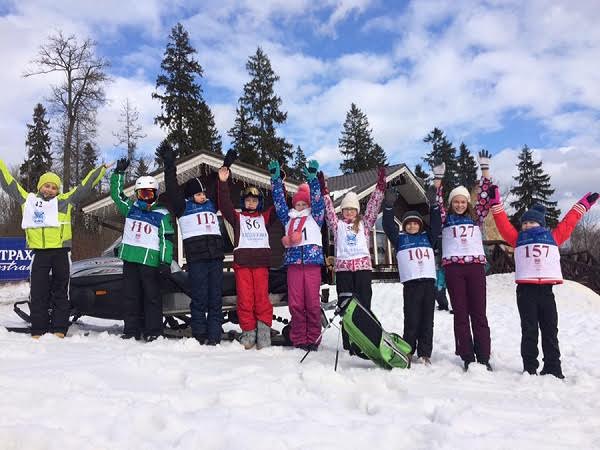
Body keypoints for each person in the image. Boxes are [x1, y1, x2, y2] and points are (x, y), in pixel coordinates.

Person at [490, 189, 599, 378]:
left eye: (531, 222)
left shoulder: (554, 238)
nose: (527, 225)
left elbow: (569, 221)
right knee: (529, 329)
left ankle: (553, 367)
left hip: (546, 291)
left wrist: (584, 204)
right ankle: (529, 367)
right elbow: (502, 224)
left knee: (550, 330)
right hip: (526, 291)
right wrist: (495, 203)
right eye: (524, 223)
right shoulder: (517, 239)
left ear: (541, 224)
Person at [0, 158, 107, 338]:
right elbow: (8, 183)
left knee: (61, 291)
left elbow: (84, 186)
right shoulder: (28, 201)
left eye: (54, 187)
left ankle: (59, 328)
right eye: (46, 186)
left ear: (58, 190)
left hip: (60, 253)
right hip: (39, 254)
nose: (50, 190)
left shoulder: (65, 201)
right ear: (40, 187)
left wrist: (101, 170)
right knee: (38, 292)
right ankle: (38, 329)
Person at [158, 144, 224, 345]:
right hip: (197, 260)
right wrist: (169, 165)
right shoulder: (183, 207)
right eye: (199, 194)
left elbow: (219, 186)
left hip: (215, 258)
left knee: (215, 299)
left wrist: (226, 164)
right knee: (200, 299)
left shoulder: (212, 205)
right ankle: (200, 334)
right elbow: (171, 187)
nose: (203, 196)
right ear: (190, 196)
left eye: (204, 194)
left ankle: (214, 336)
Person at [435, 151, 494, 371]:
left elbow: (486, 196)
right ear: (452, 204)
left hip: (475, 268)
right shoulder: (445, 219)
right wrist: (438, 180)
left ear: (467, 203)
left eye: (462, 201)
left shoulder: (475, 217)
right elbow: (437, 201)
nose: (459, 205)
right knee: (460, 312)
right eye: (456, 202)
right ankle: (467, 354)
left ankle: (484, 355)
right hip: (454, 270)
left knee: (479, 312)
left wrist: (485, 169)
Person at [321, 167, 386, 353]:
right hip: (343, 271)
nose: (349, 212)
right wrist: (325, 191)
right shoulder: (337, 225)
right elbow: (329, 211)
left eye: (352, 209)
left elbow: (373, 206)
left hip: (362, 269)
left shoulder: (365, 224)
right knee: (346, 306)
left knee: (364, 304)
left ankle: (364, 340)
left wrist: (380, 187)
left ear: (357, 211)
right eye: (346, 209)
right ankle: (349, 341)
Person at [110, 158, 173, 342]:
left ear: (156, 194)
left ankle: (154, 330)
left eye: (149, 194)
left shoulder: (162, 214)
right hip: (130, 259)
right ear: (137, 195)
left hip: (150, 262)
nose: (146, 198)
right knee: (130, 296)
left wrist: (165, 261)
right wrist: (119, 174)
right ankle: (131, 330)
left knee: (152, 298)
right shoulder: (130, 208)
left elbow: (166, 240)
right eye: (142, 194)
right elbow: (116, 194)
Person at [217, 165, 278, 350]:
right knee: (245, 300)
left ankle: (264, 332)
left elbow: (279, 204)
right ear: (244, 202)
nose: (251, 203)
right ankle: (249, 332)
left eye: (254, 200)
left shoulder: (265, 217)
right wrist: (222, 183)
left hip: (261, 265)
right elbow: (225, 205)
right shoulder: (237, 219)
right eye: (248, 200)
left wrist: (278, 182)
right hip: (242, 265)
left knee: (261, 299)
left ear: (259, 203)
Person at [269, 159, 325, 351]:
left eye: (303, 203)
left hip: (311, 265)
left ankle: (313, 338)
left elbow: (318, 201)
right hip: (293, 265)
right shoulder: (289, 219)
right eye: (297, 203)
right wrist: (276, 180)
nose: (300, 206)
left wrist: (313, 180)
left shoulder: (315, 217)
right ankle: (300, 339)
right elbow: (279, 203)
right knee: (296, 304)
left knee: (312, 304)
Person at [383, 186, 442, 364]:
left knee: (427, 320)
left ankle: (425, 352)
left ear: (420, 225)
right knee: (411, 318)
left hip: (428, 284)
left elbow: (437, 224)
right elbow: (387, 226)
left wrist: (434, 206)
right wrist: (388, 207)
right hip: (411, 285)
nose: (412, 225)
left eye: (415, 223)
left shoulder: (428, 237)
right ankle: (408, 349)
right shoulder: (400, 239)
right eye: (408, 223)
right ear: (404, 226)